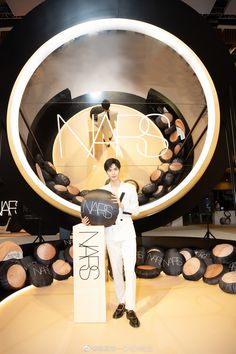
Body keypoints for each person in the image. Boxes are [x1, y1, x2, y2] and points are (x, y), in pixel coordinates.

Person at [82, 158, 140, 328]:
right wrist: (88, 220)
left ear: (119, 170)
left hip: (128, 234)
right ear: (106, 172)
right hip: (111, 235)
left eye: (115, 169)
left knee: (129, 271)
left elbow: (136, 210)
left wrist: (122, 205)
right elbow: (96, 213)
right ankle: (121, 302)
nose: (113, 172)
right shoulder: (101, 191)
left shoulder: (129, 188)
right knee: (116, 270)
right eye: (110, 170)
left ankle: (130, 308)